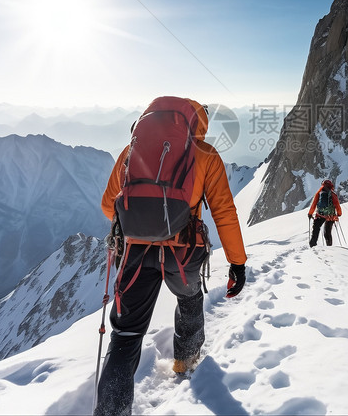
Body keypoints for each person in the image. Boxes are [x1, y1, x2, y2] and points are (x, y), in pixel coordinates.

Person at [94, 98, 247, 416]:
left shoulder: (130, 150)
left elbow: (110, 205)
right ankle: (185, 362)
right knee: (189, 301)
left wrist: (142, 221)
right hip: (185, 252)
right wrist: (237, 262)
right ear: (196, 123)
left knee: (125, 337)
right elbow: (223, 212)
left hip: (136, 253)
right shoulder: (205, 155)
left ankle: (111, 411)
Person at [307, 179, 342, 247]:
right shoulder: (333, 194)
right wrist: (339, 214)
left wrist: (310, 213)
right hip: (330, 216)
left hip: (320, 215)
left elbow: (314, 204)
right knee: (327, 232)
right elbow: (337, 205)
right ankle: (329, 247)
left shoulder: (319, 192)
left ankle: (312, 245)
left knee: (316, 229)